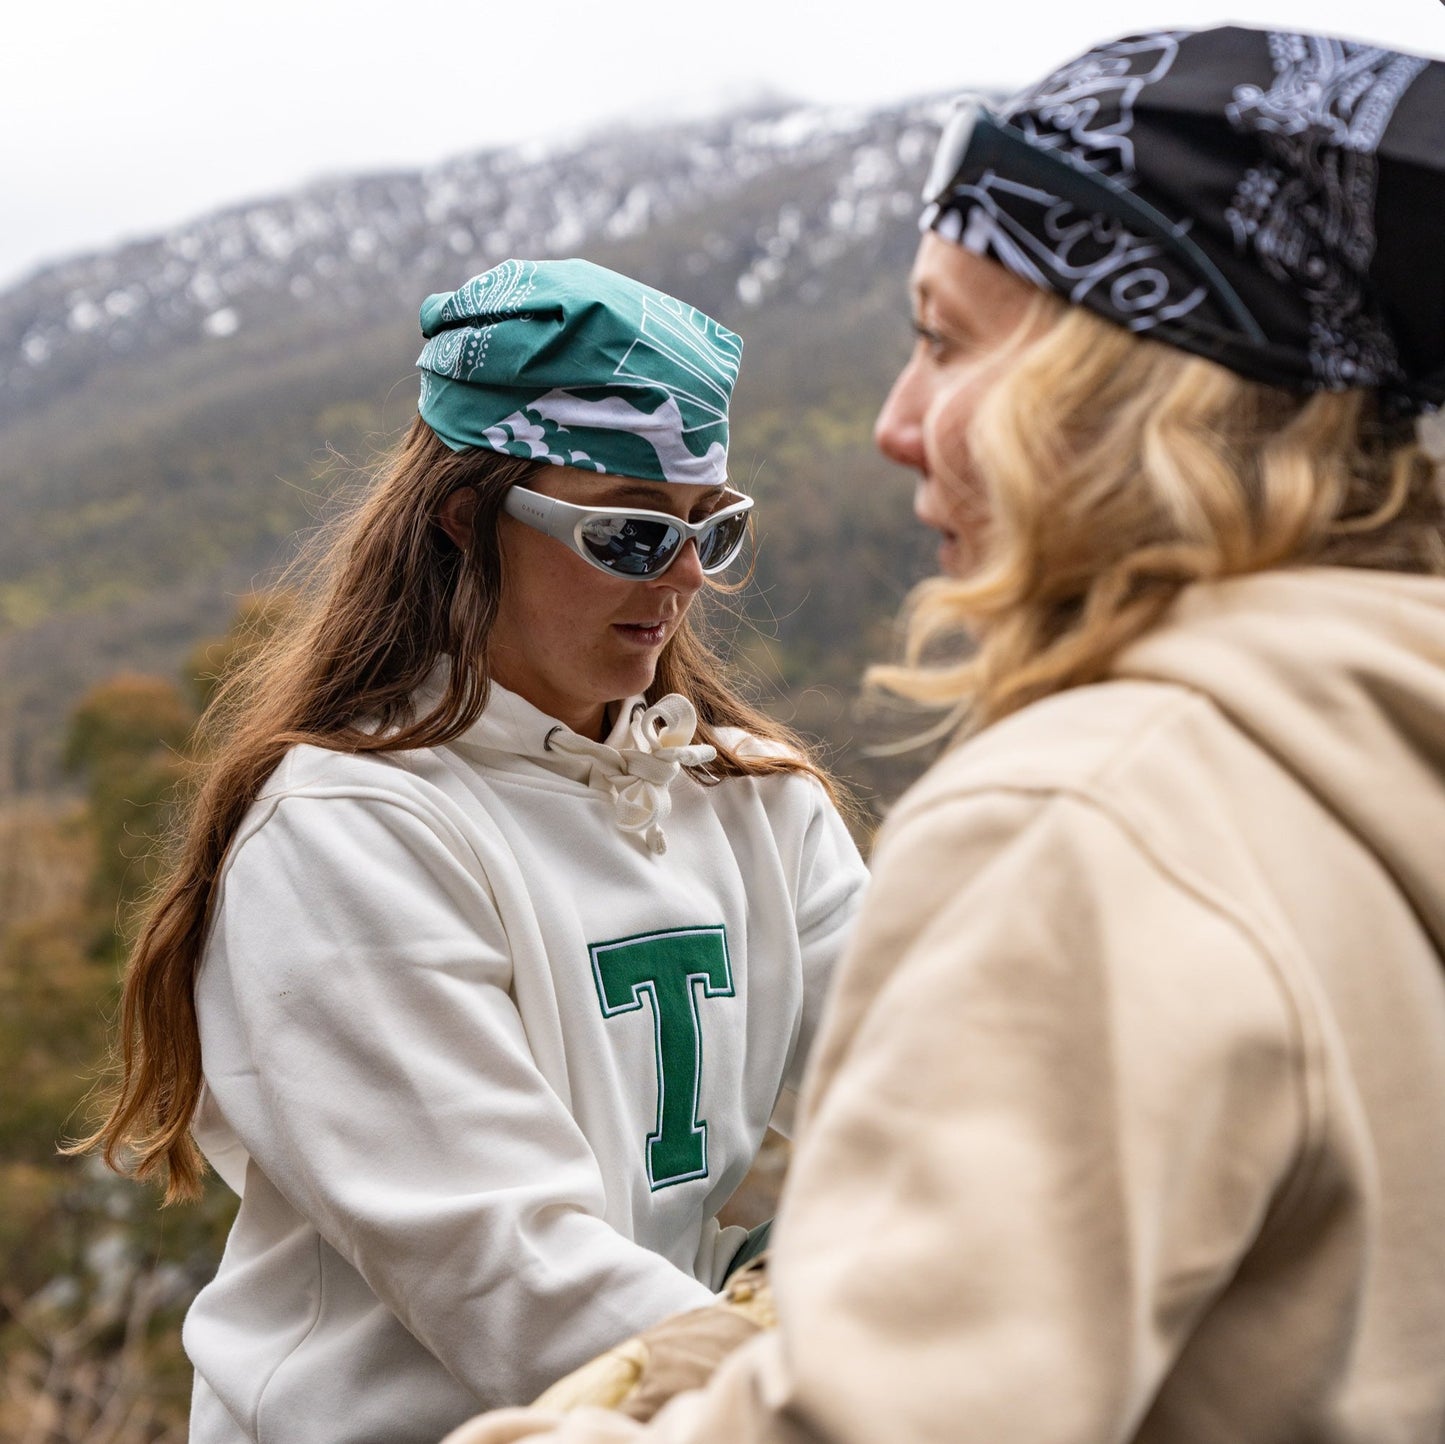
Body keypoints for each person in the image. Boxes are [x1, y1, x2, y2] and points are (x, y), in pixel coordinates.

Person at [442, 25, 1445, 1444]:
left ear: (1129, 383)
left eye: (942, 343)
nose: (893, 424)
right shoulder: (1372, 761)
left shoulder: (1090, 826)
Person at [80, 257, 869, 1444]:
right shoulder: (349, 833)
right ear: (467, 517)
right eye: (627, 534)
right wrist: (828, 1387)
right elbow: (506, 1268)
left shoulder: (758, 807)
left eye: (712, 529)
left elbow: (932, 1094)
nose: (686, 579)